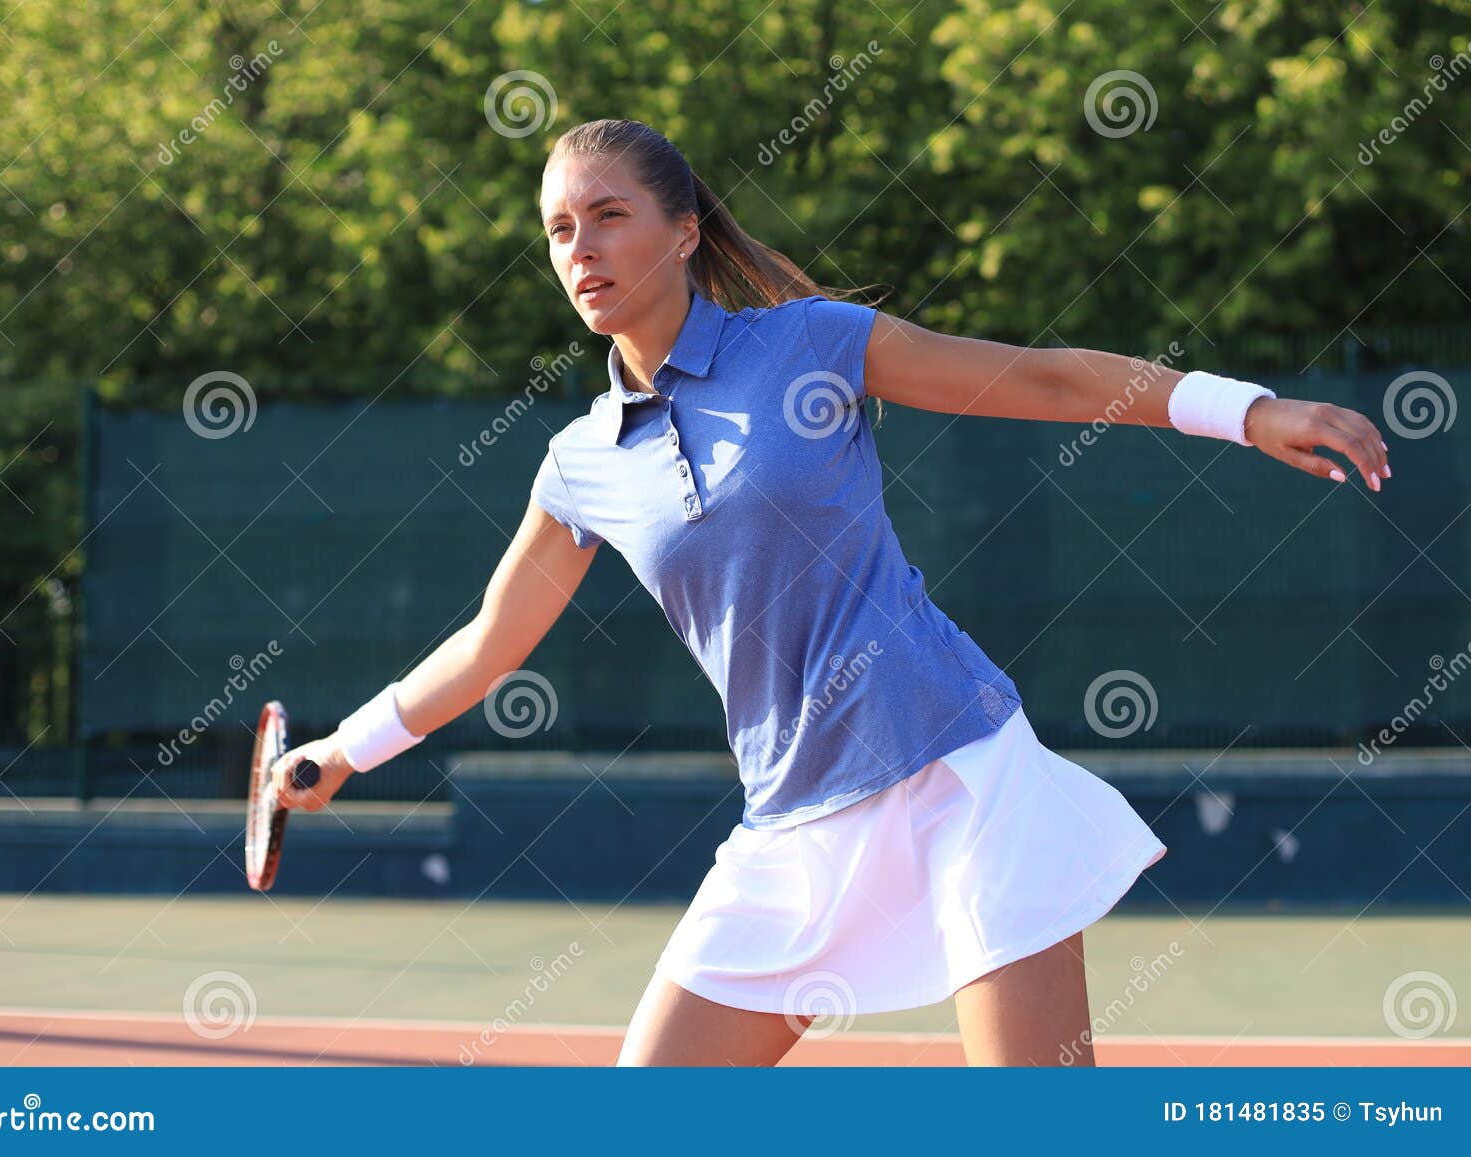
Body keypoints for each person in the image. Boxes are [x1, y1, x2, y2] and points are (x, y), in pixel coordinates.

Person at [274, 118, 1392, 1066]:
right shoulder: (579, 463)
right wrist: (344, 749)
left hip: (957, 768)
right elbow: (488, 642)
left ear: (684, 232)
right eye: (559, 230)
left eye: (609, 215)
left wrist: (1243, 407)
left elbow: (1042, 376)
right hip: (790, 824)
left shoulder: (812, 343)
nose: (581, 248)